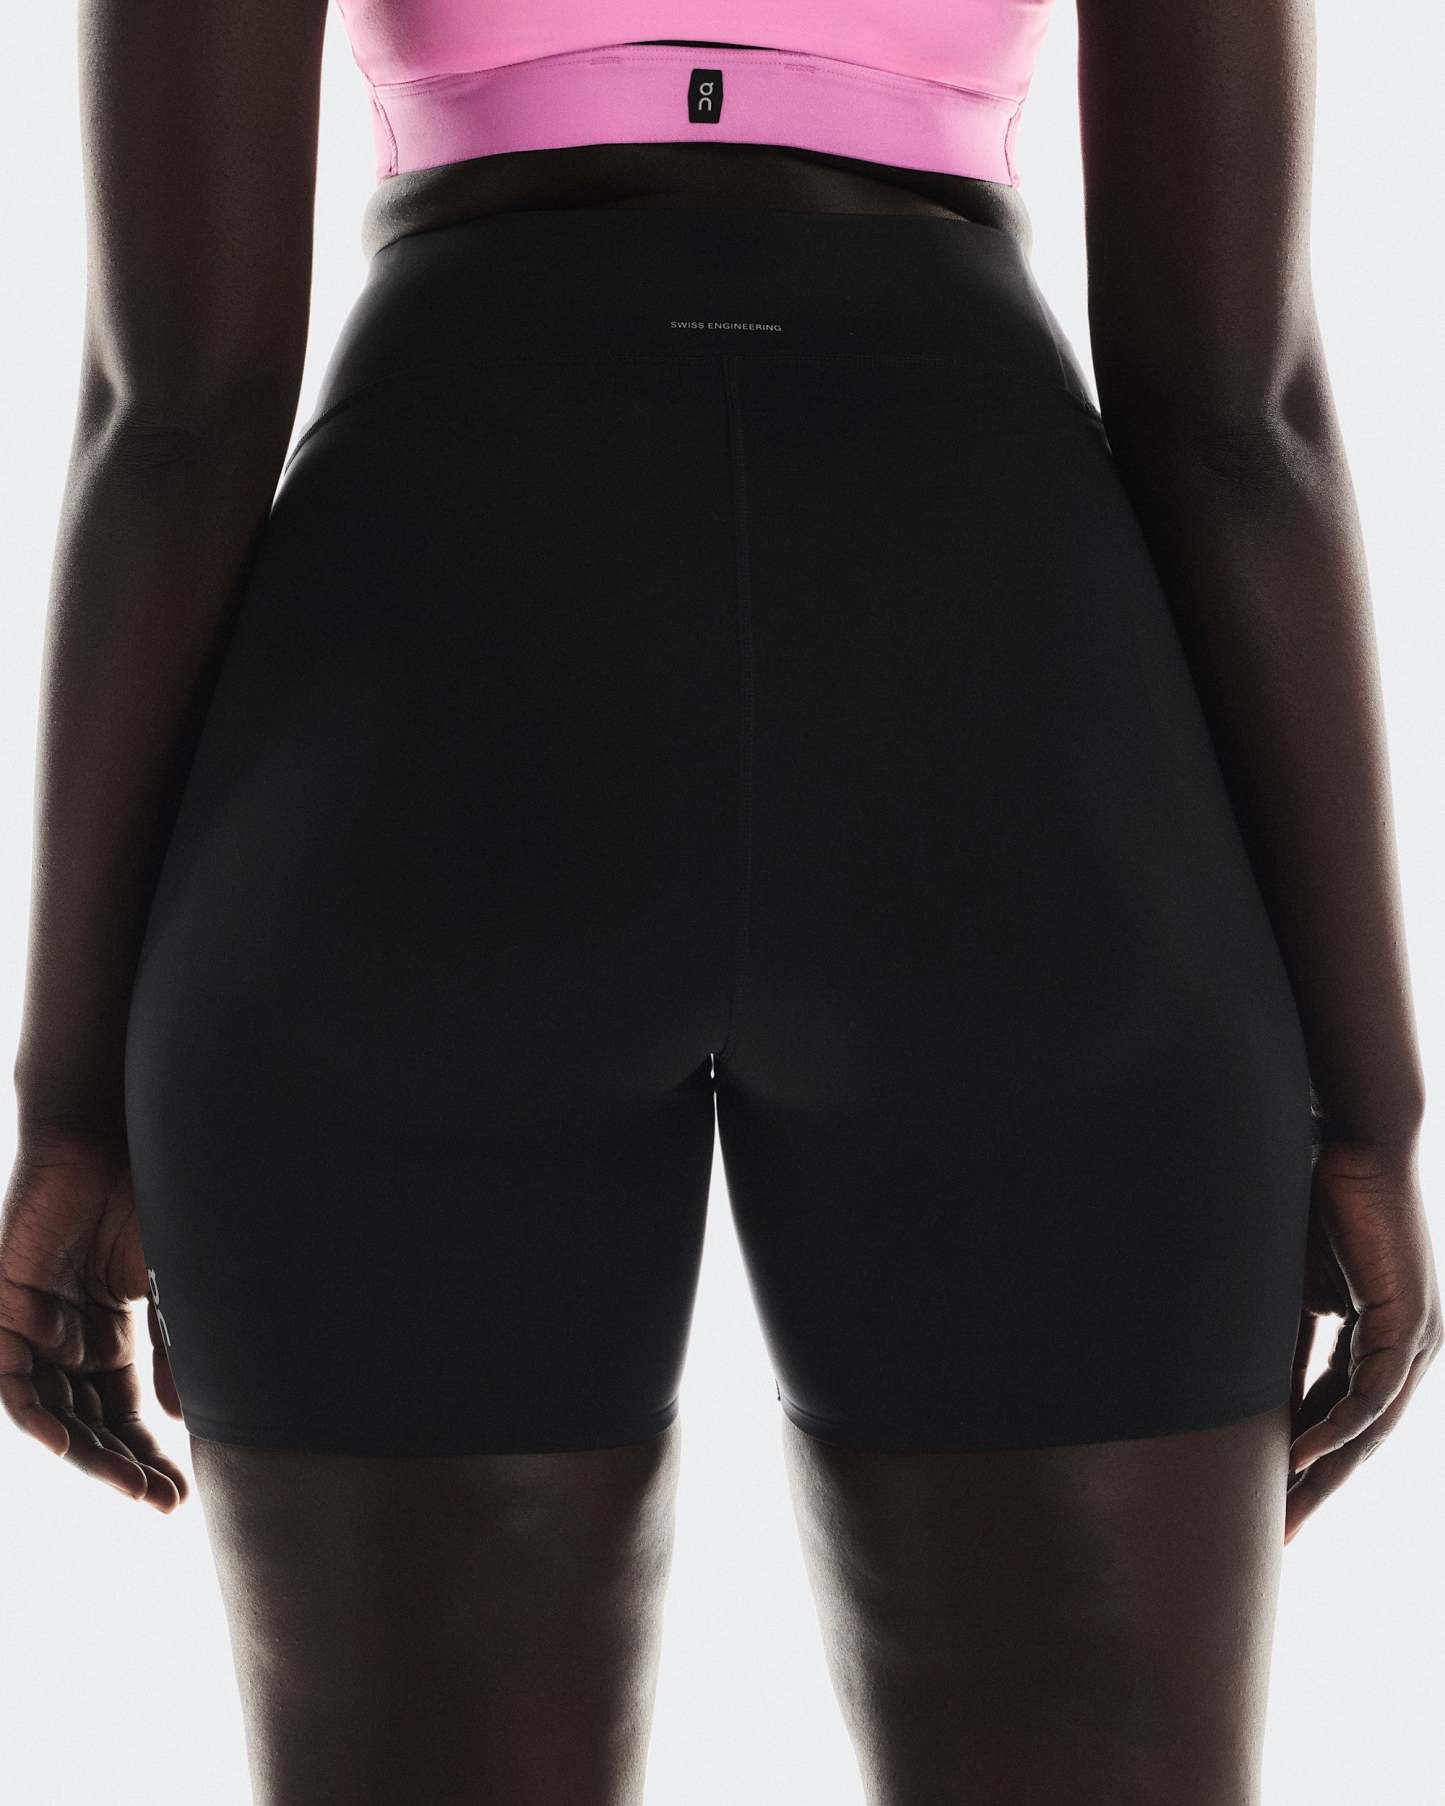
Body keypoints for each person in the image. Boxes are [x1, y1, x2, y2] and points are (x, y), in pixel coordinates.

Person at [1, 2, 1438, 1801]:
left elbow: (172, 418)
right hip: (1001, 709)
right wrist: (1370, 1104)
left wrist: (68, 1103)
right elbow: (1232, 417)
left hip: (423, 707)